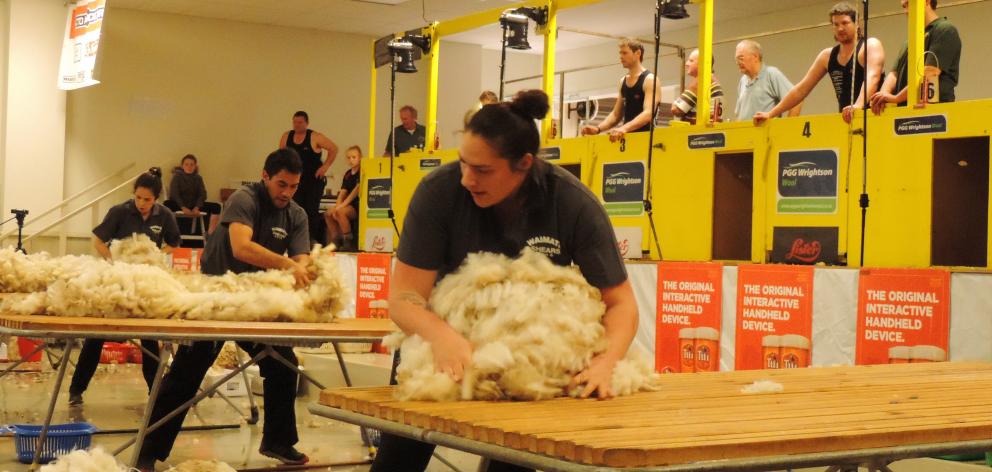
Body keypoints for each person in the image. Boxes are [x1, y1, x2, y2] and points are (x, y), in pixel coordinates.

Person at [370, 90, 638, 472]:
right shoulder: (438, 194)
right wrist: (443, 338)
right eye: (463, 163)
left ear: (524, 163)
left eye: (482, 170)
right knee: (399, 460)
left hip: (526, 363)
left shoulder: (572, 203)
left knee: (517, 460)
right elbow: (404, 299)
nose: (467, 179)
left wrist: (606, 362)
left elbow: (621, 303)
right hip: (434, 346)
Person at [136, 149, 313, 470]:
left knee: (283, 363)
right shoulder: (245, 199)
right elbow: (241, 246)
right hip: (216, 295)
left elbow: (302, 261)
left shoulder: (296, 215)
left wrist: (300, 271)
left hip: (255, 303)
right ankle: (148, 449)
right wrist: (287, 264)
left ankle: (278, 441)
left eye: (294, 186)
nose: (287, 192)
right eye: (281, 184)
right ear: (265, 176)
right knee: (188, 371)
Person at [68, 169, 180, 407]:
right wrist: (114, 260)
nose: (141, 203)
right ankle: (76, 390)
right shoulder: (119, 212)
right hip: (117, 282)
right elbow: (98, 240)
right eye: (138, 197)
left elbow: (174, 242)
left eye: (147, 199)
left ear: (156, 199)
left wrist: (156, 256)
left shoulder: (165, 216)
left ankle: (155, 393)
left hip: (145, 284)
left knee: (150, 340)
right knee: (96, 335)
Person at [753, 3, 885, 125]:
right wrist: (771, 114)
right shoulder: (827, 56)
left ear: (857, 24)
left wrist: (858, 105)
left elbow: (872, 77)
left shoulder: (870, 46)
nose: (840, 28)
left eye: (845, 23)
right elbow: (801, 89)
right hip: (848, 120)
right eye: (836, 24)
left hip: (875, 117)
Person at [870, 0, 961, 113]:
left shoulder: (945, 30)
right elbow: (894, 74)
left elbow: (930, 73)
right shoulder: (909, 42)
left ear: (926, 1)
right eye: (904, 6)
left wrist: (896, 98)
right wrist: (883, 96)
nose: (906, 11)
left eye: (909, 4)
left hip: (934, 114)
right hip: (906, 114)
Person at [581, 38, 662, 142]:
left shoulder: (650, 80)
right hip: (627, 141)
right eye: (620, 53)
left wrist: (624, 128)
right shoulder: (622, 81)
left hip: (646, 141)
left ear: (638, 53)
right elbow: (616, 115)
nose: (621, 57)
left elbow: (648, 113)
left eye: (625, 53)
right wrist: (598, 129)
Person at [279, 110, 338, 245]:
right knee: (294, 209)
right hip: (294, 181)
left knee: (311, 210)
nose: (297, 125)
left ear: (306, 123)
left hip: (313, 180)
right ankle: (293, 239)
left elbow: (333, 148)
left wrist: (325, 167)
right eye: (295, 122)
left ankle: (310, 239)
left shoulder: (315, 136)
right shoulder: (286, 136)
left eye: (300, 122)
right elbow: (281, 156)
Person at [734, 40, 802, 121]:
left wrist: (787, 129)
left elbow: (797, 102)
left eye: (741, 58)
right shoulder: (743, 80)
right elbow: (738, 114)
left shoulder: (772, 74)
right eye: (736, 59)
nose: (737, 62)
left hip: (767, 133)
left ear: (755, 56)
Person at [164, 154, 222, 235]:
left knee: (216, 206)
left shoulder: (198, 178)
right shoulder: (177, 177)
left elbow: (202, 194)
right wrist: (183, 207)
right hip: (180, 205)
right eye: (186, 164)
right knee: (166, 204)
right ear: (182, 166)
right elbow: (174, 194)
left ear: (195, 166)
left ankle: (211, 235)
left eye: (192, 164)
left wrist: (197, 207)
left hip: (194, 206)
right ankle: (169, 233)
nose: (189, 167)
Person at [671, 48, 725, 124]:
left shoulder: (702, 80)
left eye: (691, 61)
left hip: (699, 133)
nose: (686, 63)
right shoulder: (711, 79)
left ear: (702, 63)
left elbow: (676, 109)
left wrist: (676, 102)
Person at [324, 145, 362, 251]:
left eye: (354, 157)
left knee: (340, 212)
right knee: (328, 213)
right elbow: (343, 192)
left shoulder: (362, 171)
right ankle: (336, 240)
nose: (351, 160)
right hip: (346, 204)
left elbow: (355, 192)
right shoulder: (347, 174)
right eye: (349, 158)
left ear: (360, 157)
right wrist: (337, 205)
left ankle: (348, 241)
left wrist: (341, 206)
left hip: (357, 205)